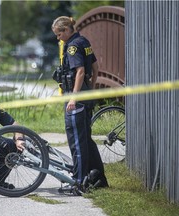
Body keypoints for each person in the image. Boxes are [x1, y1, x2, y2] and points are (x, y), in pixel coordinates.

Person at [51, 16, 108, 191]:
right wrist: (89, 90)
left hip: (75, 100)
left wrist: (74, 98)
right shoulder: (84, 41)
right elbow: (96, 68)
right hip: (85, 98)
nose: (58, 38)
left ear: (67, 30)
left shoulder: (73, 46)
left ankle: (78, 182)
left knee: (77, 142)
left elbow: (81, 71)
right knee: (86, 141)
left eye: (59, 34)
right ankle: (97, 178)